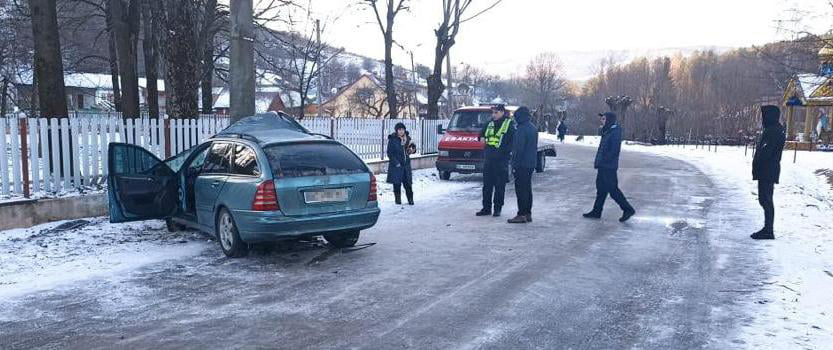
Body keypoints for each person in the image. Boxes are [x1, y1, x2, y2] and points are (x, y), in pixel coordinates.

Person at [583, 112, 636, 222]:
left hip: (608, 167)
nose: (601, 121)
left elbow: (614, 150)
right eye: (601, 119)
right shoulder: (607, 131)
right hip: (603, 165)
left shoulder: (615, 132)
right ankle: (596, 211)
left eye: (603, 119)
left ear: (609, 120)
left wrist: (604, 160)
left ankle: (628, 209)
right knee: (601, 189)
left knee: (613, 190)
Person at [751, 105, 786, 240]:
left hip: (767, 170)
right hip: (769, 169)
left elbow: (766, 152)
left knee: (766, 200)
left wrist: (758, 163)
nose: (762, 118)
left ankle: (768, 230)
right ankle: (767, 228)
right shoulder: (775, 130)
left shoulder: (772, 131)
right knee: (765, 199)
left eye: (764, 115)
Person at [477, 104, 514, 217]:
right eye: (492, 113)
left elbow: (512, 142)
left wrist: (504, 152)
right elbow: (481, 134)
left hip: (501, 160)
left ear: (502, 112)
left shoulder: (509, 124)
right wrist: (481, 138)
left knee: (499, 185)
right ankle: (486, 208)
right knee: (487, 185)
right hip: (489, 158)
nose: (493, 115)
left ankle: (497, 208)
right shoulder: (489, 123)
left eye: (496, 112)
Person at [508, 106, 538, 224]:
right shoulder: (532, 128)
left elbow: (518, 149)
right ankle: (528, 213)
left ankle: (521, 214)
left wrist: (514, 164)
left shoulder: (521, 129)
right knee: (527, 189)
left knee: (520, 190)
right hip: (530, 163)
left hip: (521, 164)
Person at [387, 122, 416, 205]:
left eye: (402, 129)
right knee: (397, 184)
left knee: (408, 184)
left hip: (406, 165)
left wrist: (412, 150)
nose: (401, 131)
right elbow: (389, 153)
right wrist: (396, 162)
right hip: (396, 166)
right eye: (399, 130)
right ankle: (398, 200)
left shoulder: (408, 139)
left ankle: (410, 200)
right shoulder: (392, 140)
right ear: (396, 131)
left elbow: (413, 148)